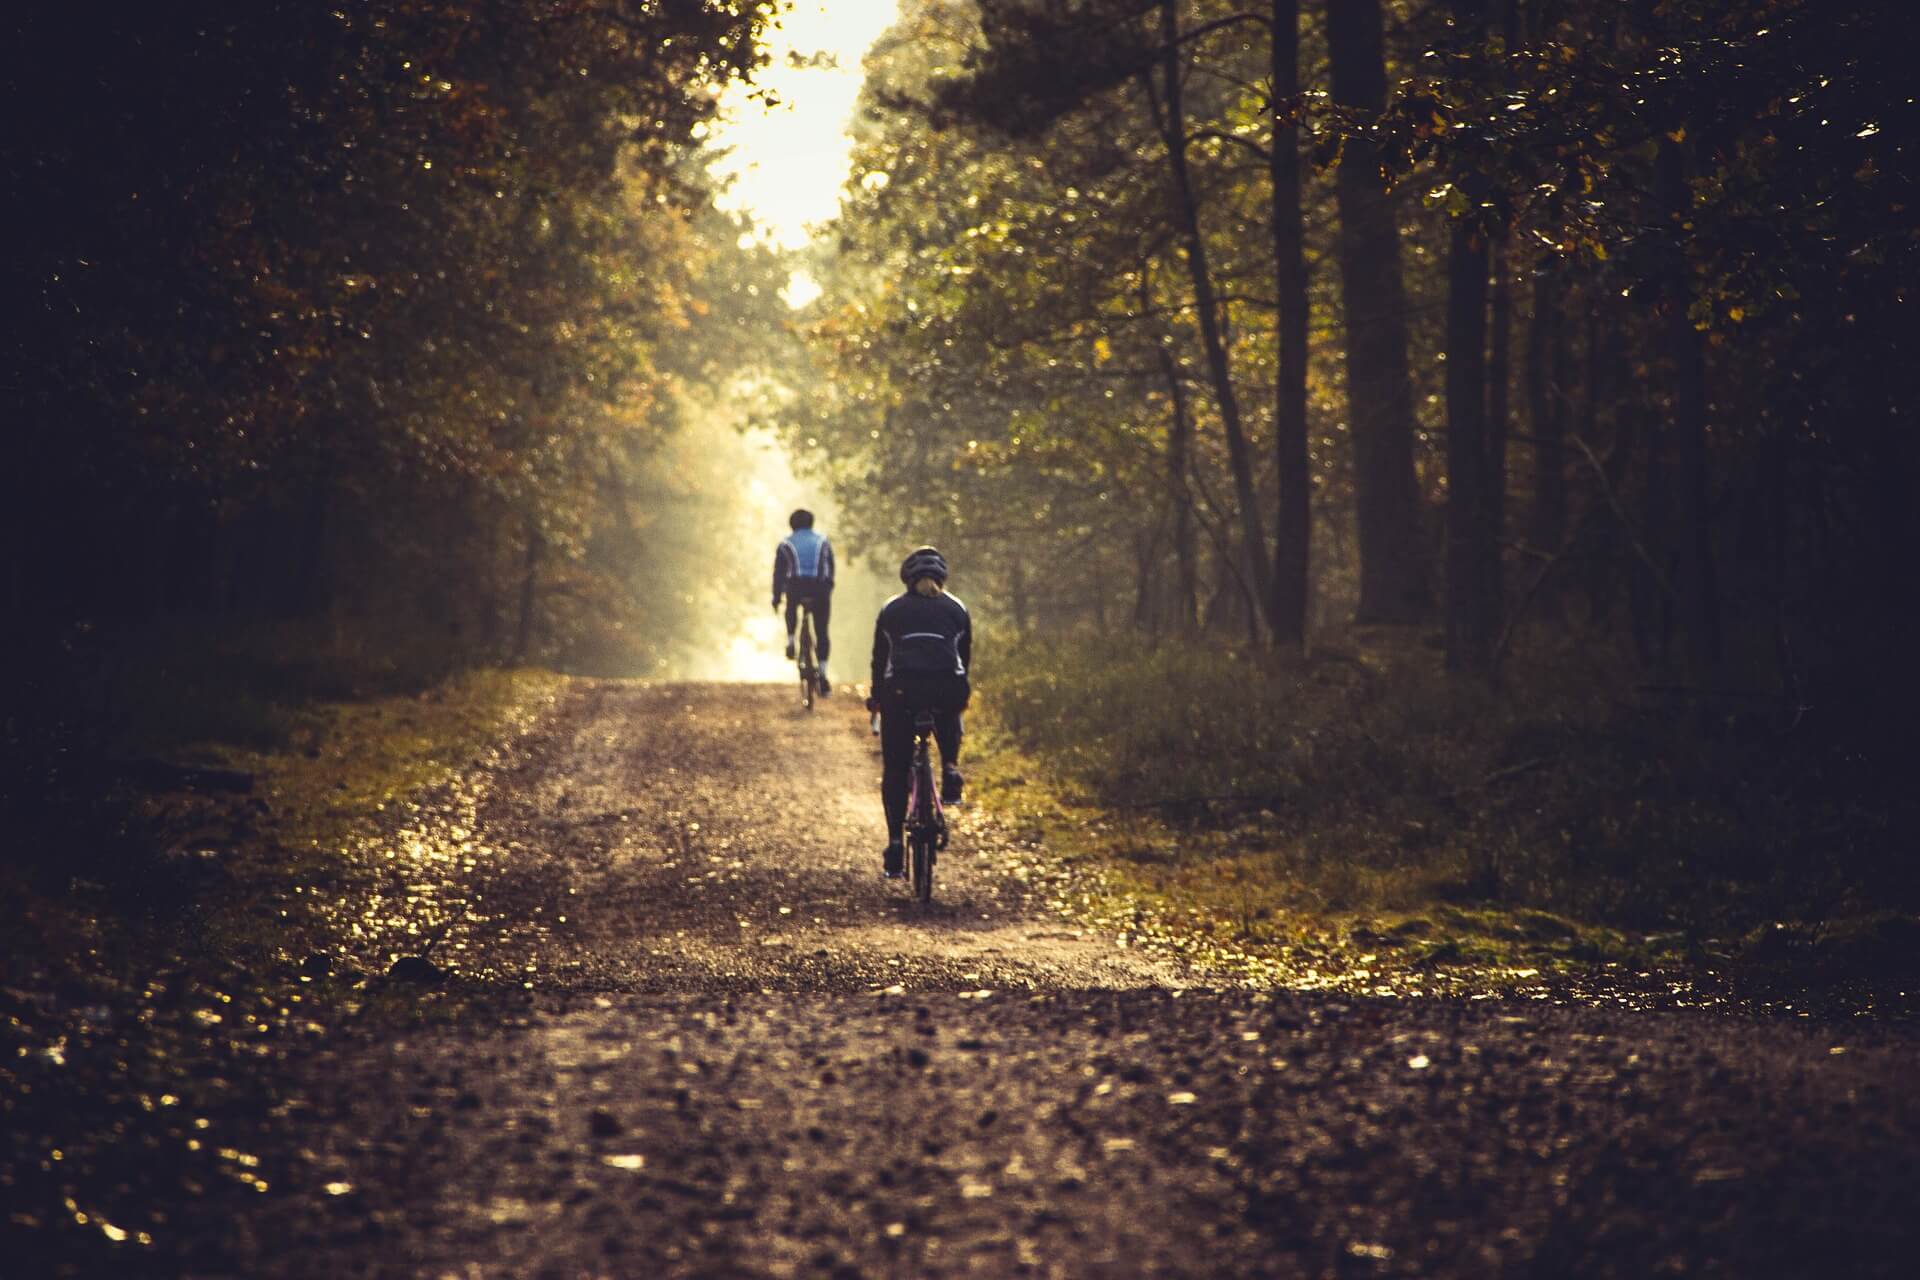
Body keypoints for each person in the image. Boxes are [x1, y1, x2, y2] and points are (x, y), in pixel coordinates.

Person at [865, 545, 970, 879]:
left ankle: (896, 845)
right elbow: (963, 662)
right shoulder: (957, 609)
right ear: (942, 577)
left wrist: (876, 699)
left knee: (896, 769)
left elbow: (880, 661)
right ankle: (951, 768)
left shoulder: (892, 610)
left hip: (901, 692)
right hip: (945, 689)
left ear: (907, 578)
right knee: (950, 706)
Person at [773, 508, 835, 694]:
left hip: (797, 587)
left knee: (791, 606)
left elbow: (778, 575)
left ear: (792, 525)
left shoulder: (785, 543)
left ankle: (791, 640)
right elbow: (830, 568)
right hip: (820, 588)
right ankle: (823, 672)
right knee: (822, 630)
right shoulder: (823, 541)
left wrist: (776, 597)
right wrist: (828, 589)